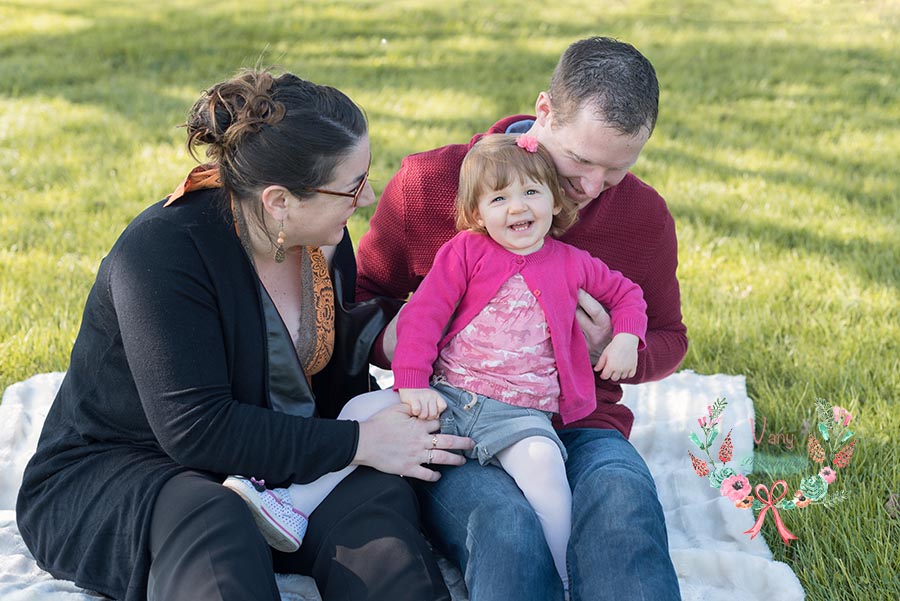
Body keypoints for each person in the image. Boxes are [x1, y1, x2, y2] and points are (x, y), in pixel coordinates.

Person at [15, 68, 471, 601]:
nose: (367, 198)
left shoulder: (322, 238)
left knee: (375, 510)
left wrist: (407, 348)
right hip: (134, 465)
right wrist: (359, 442)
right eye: (351, 186)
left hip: (279, 467)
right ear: (279, 201)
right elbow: (197, 431)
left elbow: (323, 368)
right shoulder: (162, 254)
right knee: (213, 520)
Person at [356, 37, 687, 601]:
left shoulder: (642, 215)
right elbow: (360, 302)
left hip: (583, 422)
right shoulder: (429, 184)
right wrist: (419, 336)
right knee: (506, 529)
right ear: (543, 112)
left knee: (623, 511)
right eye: (580, 160)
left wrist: (613, 341)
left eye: (615, 171)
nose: (588, 188)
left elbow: (670, 339)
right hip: (463, 421)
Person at [392, 133, 648, 595]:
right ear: (477, 213)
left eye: (531, 192)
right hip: (448, 395)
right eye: (500, 198)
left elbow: (627, 294)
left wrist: (626, 335)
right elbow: (422, 315)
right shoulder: (464, 252)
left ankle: (565, 576)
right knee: (357, 416)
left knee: (545, 466)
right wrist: (410, 381)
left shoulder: (573, 263)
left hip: (518, 412)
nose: (518, 208)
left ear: (554, 201)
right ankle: (293, 503)